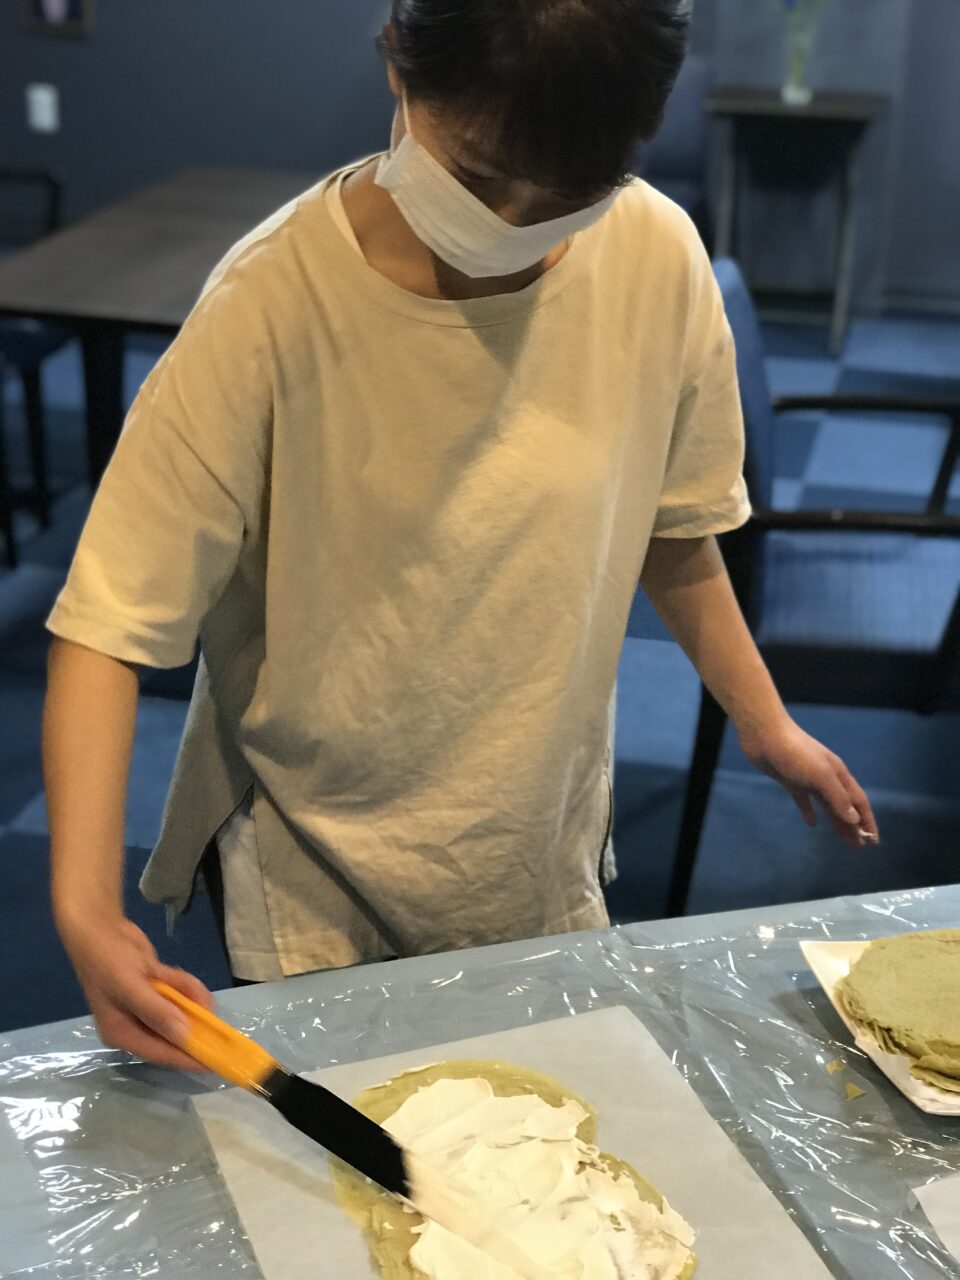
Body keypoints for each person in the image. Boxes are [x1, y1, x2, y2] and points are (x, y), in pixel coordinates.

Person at [43, 0, 878, 1072]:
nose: (516, 219)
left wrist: (763, 720)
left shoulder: (656, 257)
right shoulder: (269, 304)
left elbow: (673, 527)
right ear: (399, 62)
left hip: (529, 837)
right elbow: (109, 621)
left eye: (570, 192)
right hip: (313, 866)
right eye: (480, 178)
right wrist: (83, 907)